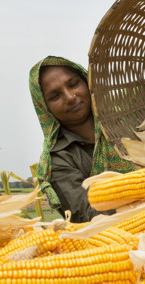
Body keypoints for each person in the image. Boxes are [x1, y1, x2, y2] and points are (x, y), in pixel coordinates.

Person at [29, 56, 137, 222]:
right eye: (55, 96)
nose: (70, 97)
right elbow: (88, 215)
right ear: (45, 108)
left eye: (73, 84)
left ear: (87, 81)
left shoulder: (130, 114)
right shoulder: (58, 161)